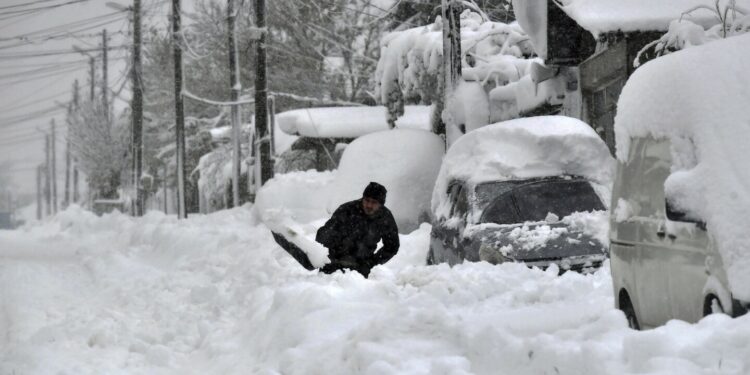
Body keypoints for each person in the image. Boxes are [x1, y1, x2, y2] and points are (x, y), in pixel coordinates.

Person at [315, 182, 400, 277]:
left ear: (381, 204)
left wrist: (371, 262)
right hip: (334, 263)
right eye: (367, 200)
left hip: (360, 268)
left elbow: (392, 246)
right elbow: (322, 236)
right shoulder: (347, 210)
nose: (369, 205)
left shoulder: (385, 218)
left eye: (374, 202)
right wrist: (333, 238)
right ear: (362, 198)